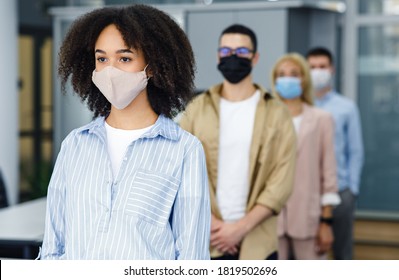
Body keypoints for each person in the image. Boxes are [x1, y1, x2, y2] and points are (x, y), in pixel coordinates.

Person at [40, 4, 210, 260]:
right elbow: (54, 247)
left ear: (153, 66)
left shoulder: (184, 149)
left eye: (125, 58)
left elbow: (192, 258)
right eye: (102, 59)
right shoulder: (75, 145)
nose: (111, 70)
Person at [179, 24, 296, 260]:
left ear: (255, 57)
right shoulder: (196, 109)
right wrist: (214, 226)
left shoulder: (277, 112)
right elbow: (179, 169)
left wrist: (239, 229)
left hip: (256, 241)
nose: (233, 57)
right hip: (207, 238)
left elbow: (281, 180)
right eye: (226, 51)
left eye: (241, 51)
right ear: (217, 56)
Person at [270, 53, 340, 259]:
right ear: (274, 80)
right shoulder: (266, 118)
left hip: (309, 218)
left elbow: (329, 174)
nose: (287, 78)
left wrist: (326, 222)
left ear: (304, 79)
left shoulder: (322, 119)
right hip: (271, 218)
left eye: (294, 73)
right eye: (281, 74)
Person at [306, 47, 364, 260]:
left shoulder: (346, 107)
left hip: (340, 192)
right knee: (308, 255)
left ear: (332, 69)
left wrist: (351, 191)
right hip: (308, 194)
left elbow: (355, 151)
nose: (317, 71)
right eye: (312, 67)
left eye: (322, 66)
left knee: (342, 254)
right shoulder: (299, 106)